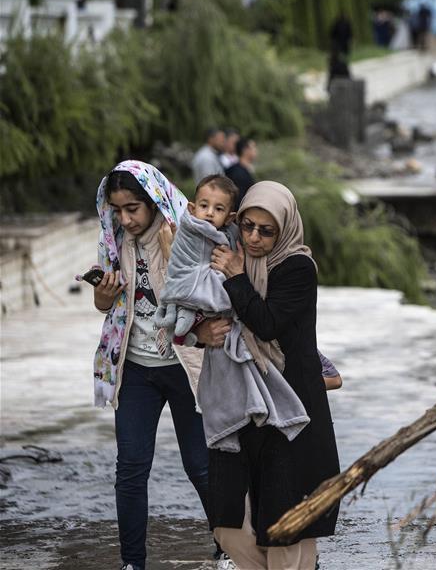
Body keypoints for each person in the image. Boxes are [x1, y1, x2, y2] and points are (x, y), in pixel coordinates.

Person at [89, 160, 232, 570]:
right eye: (118, 209)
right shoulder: (114, 240)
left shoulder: (190, 234)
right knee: (130, 469)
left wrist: (202, 333)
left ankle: (229, 549)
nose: (125, 218)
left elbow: (216, 296)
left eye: (133, 207)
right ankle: (132, 563)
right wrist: (105, 292)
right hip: (135, 370)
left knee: (201, 466)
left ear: (153, 201)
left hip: (187, 368)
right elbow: (105, 306)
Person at [204, 181, 341, 569]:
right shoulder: (232, 257)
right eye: (247, 226)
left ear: (285, 229)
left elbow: (266, 324)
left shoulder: (297, 268)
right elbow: (205, 313)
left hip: (290, 411)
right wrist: (200, 332)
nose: (253, 238)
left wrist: (235, 277)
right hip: (244, 406)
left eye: (267, 231)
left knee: (287, 523)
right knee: (228, 520)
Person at [225, 138, 257, 209]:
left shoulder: (244, 169)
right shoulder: (238, 173)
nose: (256, 150)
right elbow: (238, 201)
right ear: (245, 150)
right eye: (253, 147)